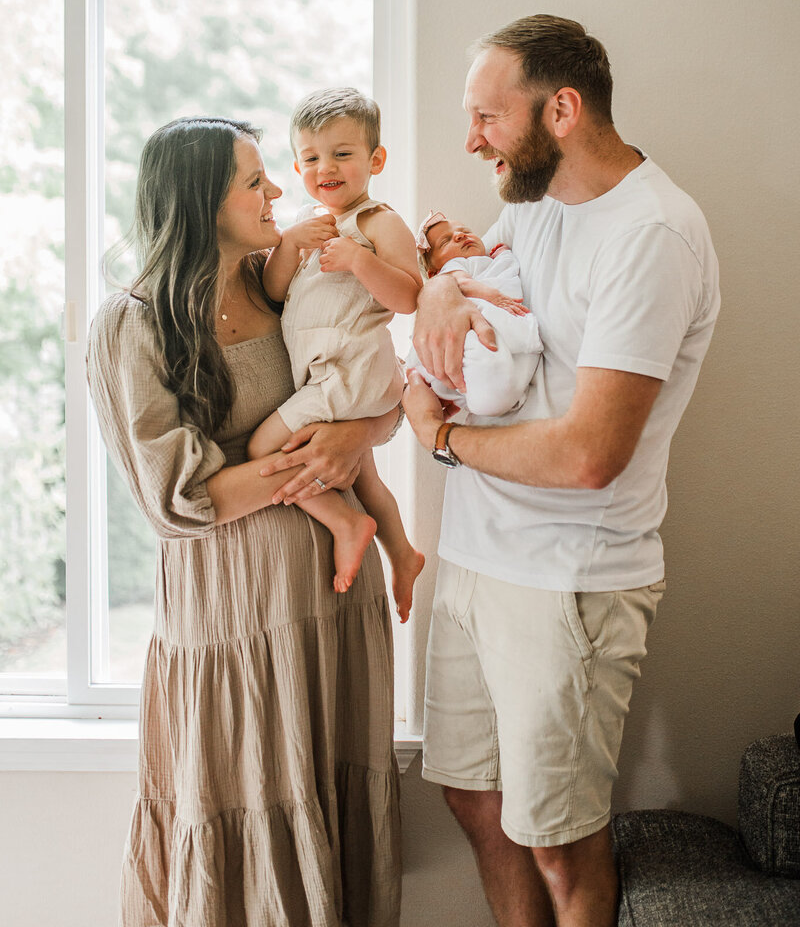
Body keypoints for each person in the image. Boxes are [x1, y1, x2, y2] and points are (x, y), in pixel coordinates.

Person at [403, 15, 720, 927]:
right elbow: (478, 280)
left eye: (486, 118)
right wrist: (433, 284)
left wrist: (442, 441)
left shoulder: (651, 235)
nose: (470, 140)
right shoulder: (535, 204)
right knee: (472, 796)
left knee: (558, 840)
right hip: (476, 558)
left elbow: (590, 455)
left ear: (563, 110)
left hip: (565, 580)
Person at [87, 116, 402, 927]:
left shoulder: (284, 281)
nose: (277, 193)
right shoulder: (133, 324)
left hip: (330, 602)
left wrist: (355, 435)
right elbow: (178, 498)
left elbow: (370, 387)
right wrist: (317, 457)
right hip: (233, 618)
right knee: (243, 816)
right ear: (201, 200)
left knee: (328, 800)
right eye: (254, 182)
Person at [247, 88, 425, 621]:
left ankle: (345, 523)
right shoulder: (306, 222)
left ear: (375, 161)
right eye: (310, 157)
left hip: (350, 374)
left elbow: (410, 295)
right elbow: (276, 293)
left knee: (261, 448)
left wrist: (360, 263)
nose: (325, 167)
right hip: (330, 377)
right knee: (366, 477)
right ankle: (402, 552)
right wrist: (289, 245)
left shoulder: (377, 222)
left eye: (342, 154)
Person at [407, 210, 543, 417]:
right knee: (481, 349)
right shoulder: (454, 266)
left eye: (464, 230)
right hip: (478, 316)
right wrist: (493, 296)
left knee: (505, 367)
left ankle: (496, 392)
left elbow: (505, 268)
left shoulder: (487, 261)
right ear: (435, 273)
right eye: (446, 242)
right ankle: (488, 395)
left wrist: (502, 254)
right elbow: (462, 283)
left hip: (500, 332)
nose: (460, 235)